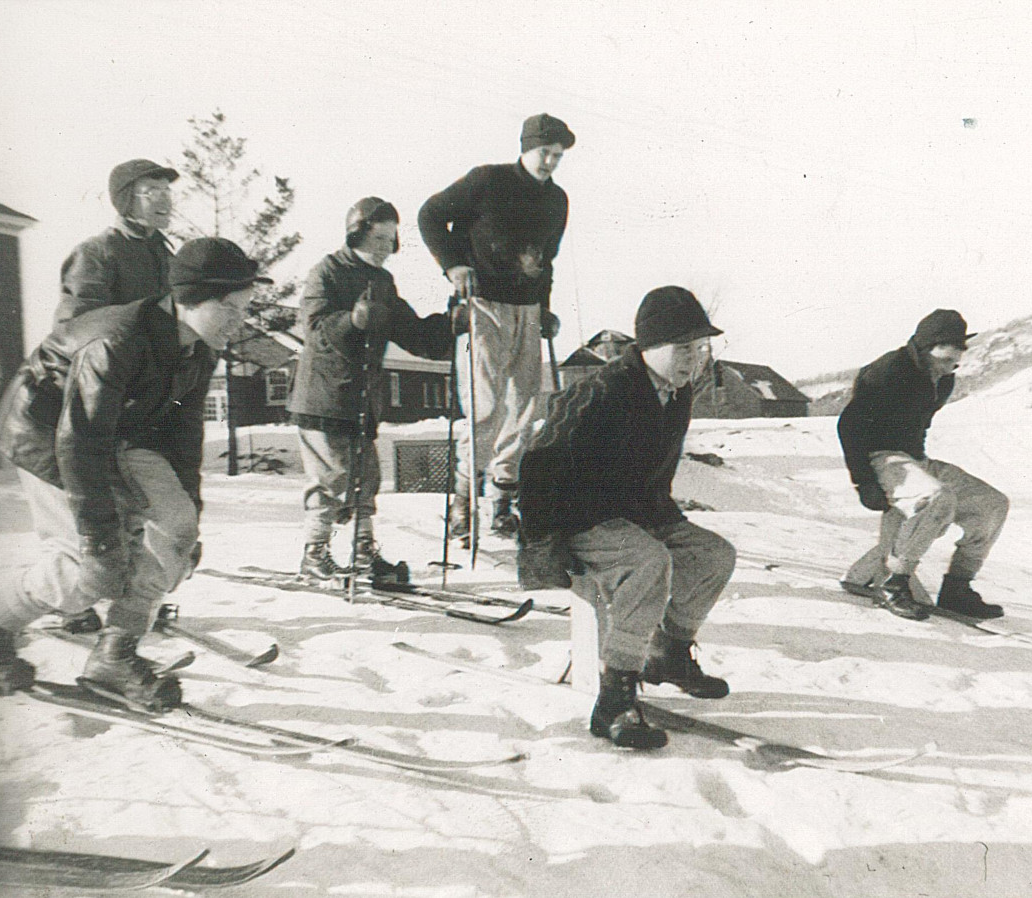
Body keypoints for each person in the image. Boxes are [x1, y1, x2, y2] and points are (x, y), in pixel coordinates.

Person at [0, 238, 269, 706]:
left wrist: (188, 515)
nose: (241, 322)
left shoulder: (198, 348)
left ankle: (115, 657)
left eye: (245, 309)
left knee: (175, 530)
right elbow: (79, 442)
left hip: (116, 433)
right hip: (46, 435)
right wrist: (99, 536)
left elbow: (182, 438)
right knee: (89, 568)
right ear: (190, 299)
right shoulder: (117, 339)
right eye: (231, 309)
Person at [517, 286, 736, 750]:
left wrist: (667, 514)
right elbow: (539, 462)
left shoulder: (677, 394)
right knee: (648, 561)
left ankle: (670, 653)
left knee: (714, 554)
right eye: (683, 348)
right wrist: (540, 544)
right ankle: (614, 699)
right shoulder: (601, 389)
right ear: (649, 346)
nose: (693, 360)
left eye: (699, 349)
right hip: (580, 517)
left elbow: (656, 466)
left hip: (639, 512)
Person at [418, 113, 574, 540]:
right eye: (545, 153)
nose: (550, 163)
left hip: (526, 311)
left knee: (525, 408)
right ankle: (463, 503)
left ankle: (503, 500)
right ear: (526, 147)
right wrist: (454, 265)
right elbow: (430, 215)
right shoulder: (487, 181)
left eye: (558, 157)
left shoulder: (556, 200)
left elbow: (546, 261)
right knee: (485, 408)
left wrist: (544, 309)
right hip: (484, 306)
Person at [287, 197, 455, 583]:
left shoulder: (382, 281)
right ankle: (315, 552)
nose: (385, 248)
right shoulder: (326, 272)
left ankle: (363, 550)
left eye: (391, 240)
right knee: (332, 477)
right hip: (324, 396)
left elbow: (411, 333)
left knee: (366, 477)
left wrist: (450, 323)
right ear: (356, 233)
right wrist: (352, 320)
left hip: (362, 398)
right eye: (379, 238)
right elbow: (313, 330)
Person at [836, 309, 1008, 621]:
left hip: (914, 458)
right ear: (927, 348)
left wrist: (920, 466)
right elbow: (849, 425)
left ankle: (957, 588)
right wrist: (865, 482)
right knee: (936, 497)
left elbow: (918, 425)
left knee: (991, 504)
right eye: (945, 359)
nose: (950, 367)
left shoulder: (942, 380)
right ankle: (893, 583)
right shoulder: (889, 370)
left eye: (955, 360)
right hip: (880, 457)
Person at [55, 158, 178, 325]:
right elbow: (77, 329)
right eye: (153, 192)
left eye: (167, 191)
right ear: (126, 200)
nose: (165, 200)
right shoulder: (95, 254)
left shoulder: (167, 255)